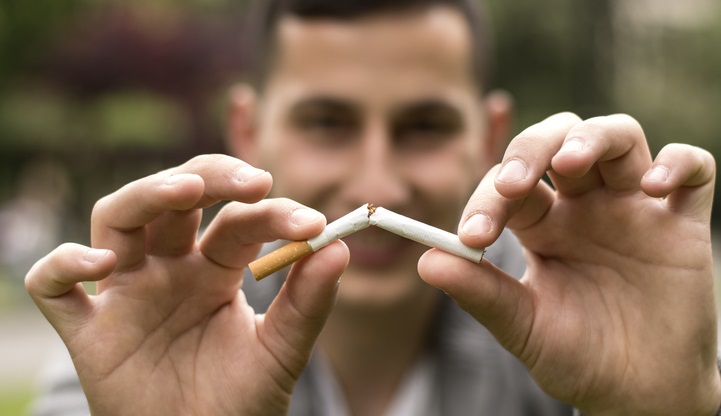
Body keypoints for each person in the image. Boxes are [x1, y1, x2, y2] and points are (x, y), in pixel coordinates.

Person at [25, 0, 721, 415]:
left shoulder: (580, 314)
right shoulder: (151, 342)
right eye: (327, 123)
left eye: (423, 126)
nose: (378, 186)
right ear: (246, 131)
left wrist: (658, 411)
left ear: (486, 136)